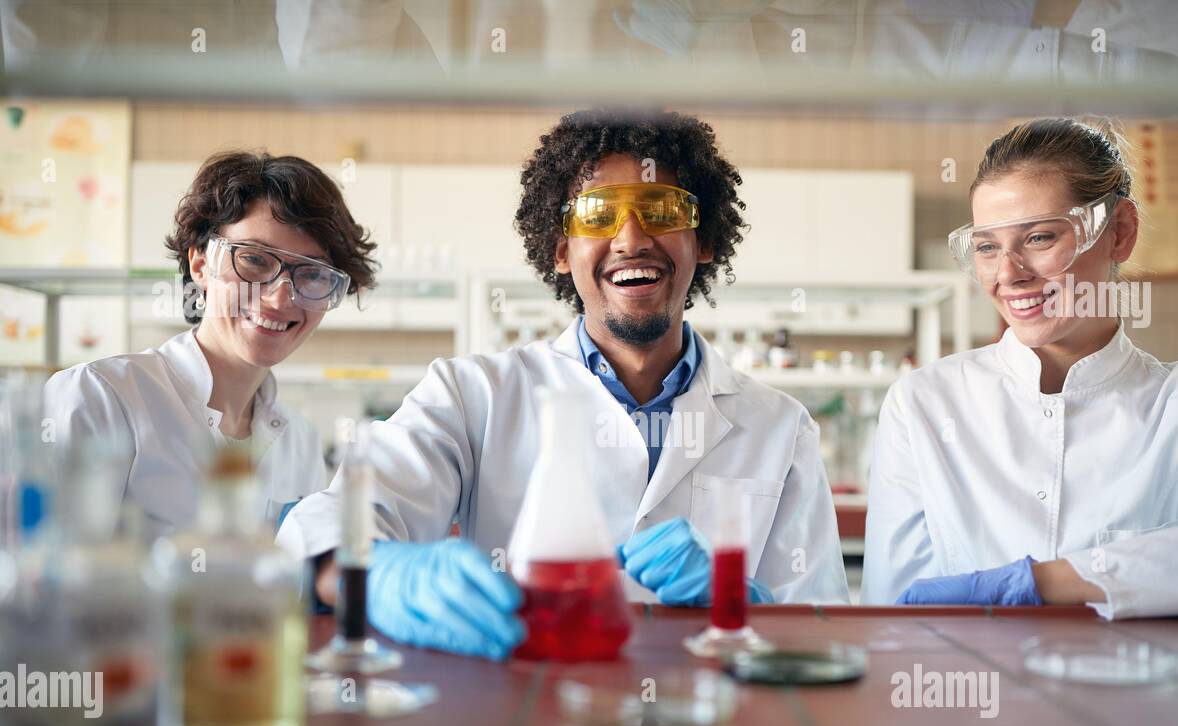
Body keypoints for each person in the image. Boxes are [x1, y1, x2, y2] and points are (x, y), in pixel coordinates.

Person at [278, 108, 850, 659]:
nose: (631, 239)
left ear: (703, 241)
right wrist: (379, 575)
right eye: (597, 215)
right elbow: (334, 518)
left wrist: (746, 604)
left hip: (714, 723)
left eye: (660, 209)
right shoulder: (471, 395)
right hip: (532, 711)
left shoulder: (780, 426)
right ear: (559, 250)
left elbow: (823, 630)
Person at [863, 117, 1178, 619]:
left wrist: (1038, 583)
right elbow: (889, 620)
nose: (1008, 274)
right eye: (987, 246)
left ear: (1121, 232)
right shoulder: (923, 402)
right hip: (976, 695)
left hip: (1144, 695)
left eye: (1040, 237)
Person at [44, 150, 378, 536]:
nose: (279, 298)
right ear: (200, 264)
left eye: (312, 274)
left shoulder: (299, 442)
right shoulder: (100, 398)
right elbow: (46, 572)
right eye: (254, 260)